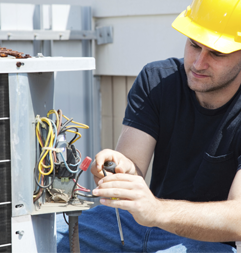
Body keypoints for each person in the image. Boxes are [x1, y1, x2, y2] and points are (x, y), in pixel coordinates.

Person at [57, 0, 241, 252]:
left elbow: (238, 218)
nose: (198, 63)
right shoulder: (157, 80)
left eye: (217, 53)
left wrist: (156, 210)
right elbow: (133, 167)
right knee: (45, 235)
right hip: (136, 224)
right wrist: (121, 166)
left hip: (205, 241)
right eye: (194, 45)